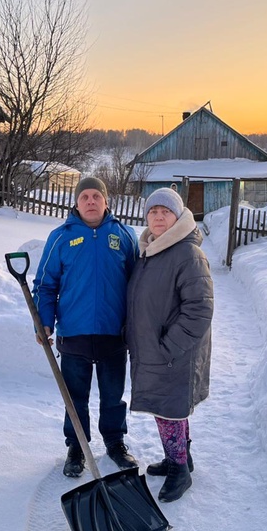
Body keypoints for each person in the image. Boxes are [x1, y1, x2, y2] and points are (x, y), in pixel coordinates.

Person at [33, 177, 140, 477]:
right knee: (75, 396)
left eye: (96, 196)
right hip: (74, 332)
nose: (91, 201)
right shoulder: (61, 237)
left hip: (113, 333)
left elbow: (137, 285)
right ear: (76, 203)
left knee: (113, 395)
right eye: (85, 197)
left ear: (107, 202)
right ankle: (76, 447)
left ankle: (115, 442)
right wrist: (44, 321)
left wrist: (135, 325)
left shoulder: (124, 236)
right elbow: (44, 284)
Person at [126, 187, 213, 502]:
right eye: (153, 211)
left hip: (173, 354)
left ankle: (179, 471)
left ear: (178, 216)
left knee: (168, 412)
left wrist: (168, 346)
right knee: (169, 410)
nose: (158, 216)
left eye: (165, 211)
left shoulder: (187, 254)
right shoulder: (152, 250)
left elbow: (199, 310)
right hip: (157, 351)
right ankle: (180, 457)